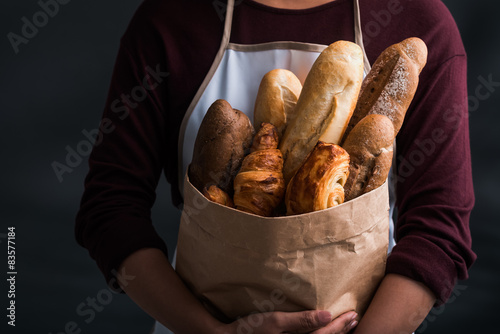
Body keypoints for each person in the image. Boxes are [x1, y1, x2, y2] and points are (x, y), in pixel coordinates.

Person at [75, 0, 476, 333]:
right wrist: (207, 331)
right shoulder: (169, 20)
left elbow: (439, 229)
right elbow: (110, 209)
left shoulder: (418, 19)